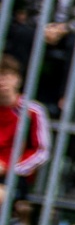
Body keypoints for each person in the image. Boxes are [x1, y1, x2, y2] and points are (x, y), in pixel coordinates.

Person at [0, 54, 52, 184]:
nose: (2, 81)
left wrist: (9, 168)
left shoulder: (32, 111)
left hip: (15, 176)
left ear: (18, 79)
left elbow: (41, 152)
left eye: (7, 76)